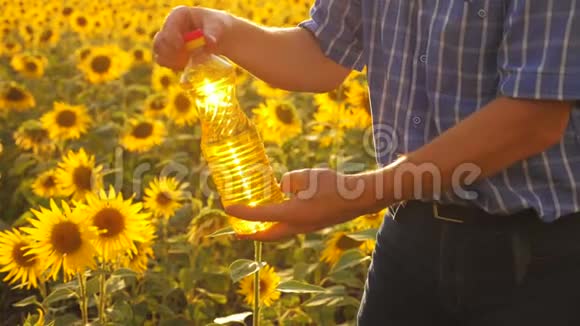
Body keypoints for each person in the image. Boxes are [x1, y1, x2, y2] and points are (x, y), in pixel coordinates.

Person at [154, 1, 580, 324]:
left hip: (535, 257)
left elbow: (534, 116)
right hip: (410, 240)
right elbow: (321, 53)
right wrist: (222, 30)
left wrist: (359, 194)